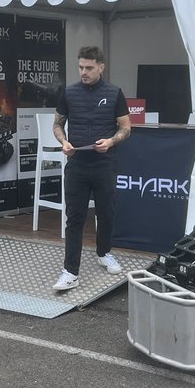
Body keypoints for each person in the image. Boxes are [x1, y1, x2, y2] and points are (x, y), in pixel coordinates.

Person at [51, 46, 131, 291]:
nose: (83, 72)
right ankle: (70, 272)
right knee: (74, 218)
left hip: (104, 164)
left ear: (101, 67)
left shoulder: (115, 93)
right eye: (80, 67)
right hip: (76, 165)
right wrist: (64, 142)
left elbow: (126, 128)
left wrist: (111, 141)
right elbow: (57, 124)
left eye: (89, 67)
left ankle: (104, 252)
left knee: (106, 212)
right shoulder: (69, 93)